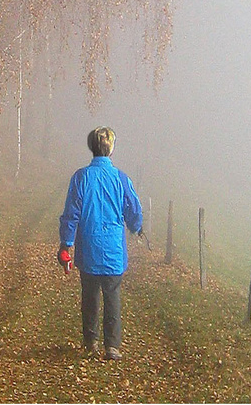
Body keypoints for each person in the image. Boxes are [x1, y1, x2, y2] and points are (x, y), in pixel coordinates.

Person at [58, 126, 144, 361]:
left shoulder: (81, 177)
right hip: (114, 250)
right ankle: (112, 346)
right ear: (111, 148)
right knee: (112, 296)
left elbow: (71, 213)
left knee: (90, 296)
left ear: (92, 147)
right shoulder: (121, 179)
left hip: (88, 249)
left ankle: (90, 341)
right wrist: (137, 228)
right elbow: (133, 209)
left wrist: (66, 243)